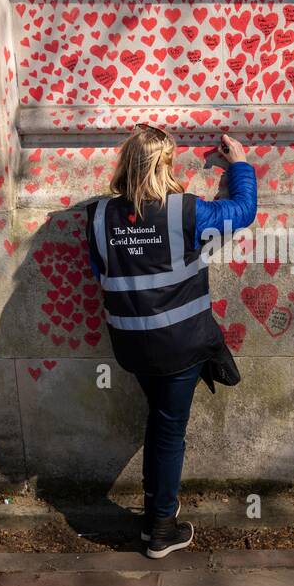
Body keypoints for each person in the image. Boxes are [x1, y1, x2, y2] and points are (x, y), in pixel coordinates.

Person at [86, 124, 257, 559]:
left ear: (126, 163)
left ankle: (158, 520)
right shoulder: (186, 212)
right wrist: (238, 164)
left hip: (132, 347)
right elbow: (241, 211)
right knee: (167, 432)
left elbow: (99, 268)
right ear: (165, 164)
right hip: (179, 346)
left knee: (161, 421)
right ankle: (160, 527)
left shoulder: (100, 215)